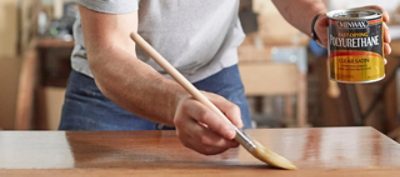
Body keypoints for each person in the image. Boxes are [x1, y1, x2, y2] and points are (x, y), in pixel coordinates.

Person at [59, 0, 391, 155]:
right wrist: (175, 99)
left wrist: (315, 19)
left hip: (213, 77)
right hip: (110, 93)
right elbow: (110, 51)